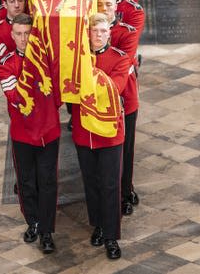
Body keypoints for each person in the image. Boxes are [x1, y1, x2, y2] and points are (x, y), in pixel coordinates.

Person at [0, 13, 60, 253]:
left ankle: (46, 230)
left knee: (47, 182)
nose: (23, 39)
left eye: (27, 33)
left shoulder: (49, 60)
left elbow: (58, 96)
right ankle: (32, 221)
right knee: (26, 182)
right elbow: (15, 97)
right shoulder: (6, 64)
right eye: (19, 34)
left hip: (49, 131)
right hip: (23, 133)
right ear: (12, 36)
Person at [72, 13, 130, 260]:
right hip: (84, 132)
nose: (99, 35)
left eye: (103, 31)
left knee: (109, 184)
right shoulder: (77, 60)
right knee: (91, 182)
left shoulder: (120, 58)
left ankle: (111, 236)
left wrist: (84, 78)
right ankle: (97, 224)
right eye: (94, 31)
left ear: (109, 33)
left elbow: (113, 88)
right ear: (88, 33)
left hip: (109, 133)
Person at [96, 0, 140, 214]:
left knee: (126, 148)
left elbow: (124, 60)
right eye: (101, 5)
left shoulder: (126, 32)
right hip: (95, 100)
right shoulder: (93, 31)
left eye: (109, 5)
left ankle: (125, 191)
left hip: (124, 97)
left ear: (116, 7)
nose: (105, 9)